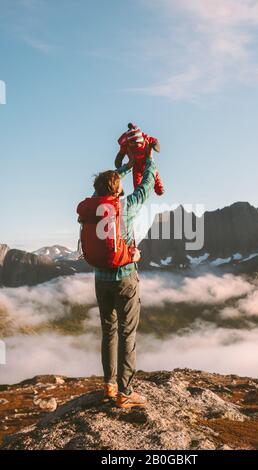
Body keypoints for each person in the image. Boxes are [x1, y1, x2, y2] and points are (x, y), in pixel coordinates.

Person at [93, 143, 156, 409]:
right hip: (125, 276)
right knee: (127, 334)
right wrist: (148, 161)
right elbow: (146, 187)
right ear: (117, 189)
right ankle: (125, 393)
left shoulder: (94, 205)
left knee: (109, 331)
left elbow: (106, 183)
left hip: (100, 278)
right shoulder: (126, 205)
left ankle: (109, 385)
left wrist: (124, 167)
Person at [115, 123, 164, 196]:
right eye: (133, 145)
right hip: (136, 165)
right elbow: (121, 153)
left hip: (145, 161)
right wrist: (119, 160)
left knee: (154, 174)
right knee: (137, 180)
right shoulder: (127, 146)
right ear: (130, 143)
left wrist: (155, 145)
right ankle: (137, 194)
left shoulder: (146, 139)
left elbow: (154, 141)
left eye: (138, 145)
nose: (135, 148)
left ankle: (159, 188)